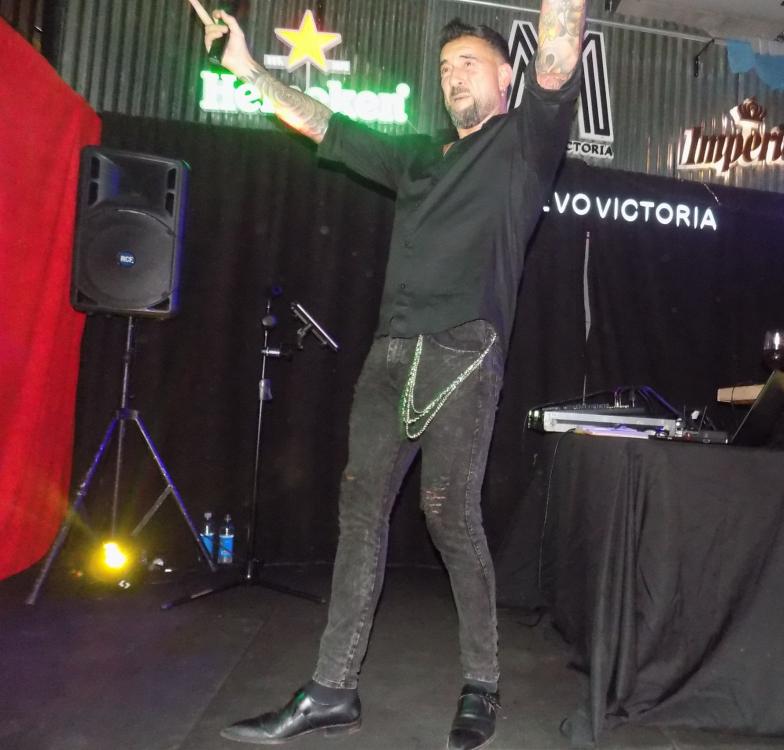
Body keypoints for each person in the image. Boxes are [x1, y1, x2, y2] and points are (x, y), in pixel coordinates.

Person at [199, 2, 586, 748]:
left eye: (468, 63)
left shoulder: (524, 144)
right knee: (359, 516)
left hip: (462, 353)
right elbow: (326, 125)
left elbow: (560, 57)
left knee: (450, 517)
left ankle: (481, 683)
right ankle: (332, 690)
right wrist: (244, 66)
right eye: (444, 68)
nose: (453, 77)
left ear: (506, 76)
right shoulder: (417, 156)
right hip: (389, 355)